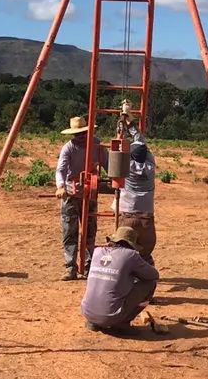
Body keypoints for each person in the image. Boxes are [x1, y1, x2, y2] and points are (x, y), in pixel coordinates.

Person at [55, 115, 107, 280]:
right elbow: (61, 170)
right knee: (70, 231)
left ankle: (89, 266)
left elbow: (108, 165)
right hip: (71, 193)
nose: (81, 137)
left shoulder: (97, 145)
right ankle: (70, 267)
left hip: (90, 194)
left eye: (84, 133)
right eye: (78, 134)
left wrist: (115, 180)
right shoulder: (68, 148)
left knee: (90, 231)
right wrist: (61, 186)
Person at [81, 225, 159, 334]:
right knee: (150, 284)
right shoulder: (130, 255)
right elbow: (154, 275)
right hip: (111, 315)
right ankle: (122, 322)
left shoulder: (97, 251)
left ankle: (94, 322)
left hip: (87, 312)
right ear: (131, 245)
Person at [112, 123, 156, 265]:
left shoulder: (127, 167)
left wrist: (121, 133)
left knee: (124, 251)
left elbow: (118, 156)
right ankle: (145, 275)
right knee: (145, 253)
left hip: (127, 215)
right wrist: (131, 124)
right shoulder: (150, 166)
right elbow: (142, 143)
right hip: (146, 219)